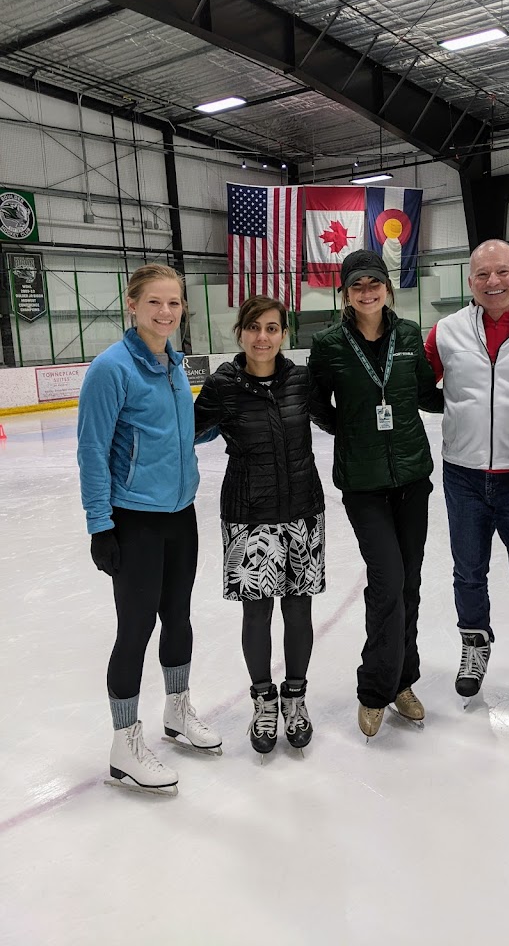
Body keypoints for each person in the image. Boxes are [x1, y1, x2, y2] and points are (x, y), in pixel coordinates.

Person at [77, 263, 221, 797]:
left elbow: (176, 434)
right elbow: (92, 451)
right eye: (155, 302)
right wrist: (100, 524)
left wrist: (224, 418)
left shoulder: (173, 364)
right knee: (135, 629)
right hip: (134, 519)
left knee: (178, 617)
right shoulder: (111, 368)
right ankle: (124, 742)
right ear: (132, 305)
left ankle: (177, 711)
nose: (166, 312)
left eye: (174, 303)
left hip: (180, 513)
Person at [308, 249, 443, 739]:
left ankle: (403, 681)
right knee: (387, 580)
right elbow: (316, 404)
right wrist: (351, 431)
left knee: (410, 583)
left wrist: (483, 393)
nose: (367, 292)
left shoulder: (408, 335)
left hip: (412, 477)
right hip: (363, 483)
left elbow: (426, 393)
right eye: (357, 285)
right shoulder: (328, 344)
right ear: (345, 293)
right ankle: (374, 690)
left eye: (374, 283)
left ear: (387, 287)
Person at [425, 240, 509, 710]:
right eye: (482, 274)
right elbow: (410, 383)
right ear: (470, 282)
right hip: (462, 474)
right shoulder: (446, 331)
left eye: (502, 272)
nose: (493, 281)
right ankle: (475, 644)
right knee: (468, 571)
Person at [194, 295, 325, 756]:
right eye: (253, 328)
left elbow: (338, 419)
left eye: (272, 328)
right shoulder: (222, 385)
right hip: (248, 514)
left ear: (284, 334)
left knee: (299, 610)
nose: (262, 337)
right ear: (240, 333)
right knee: (257, 613)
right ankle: (264, 700)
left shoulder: (301, 380)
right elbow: (184, 432)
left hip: (303, 509)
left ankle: (295, 698)